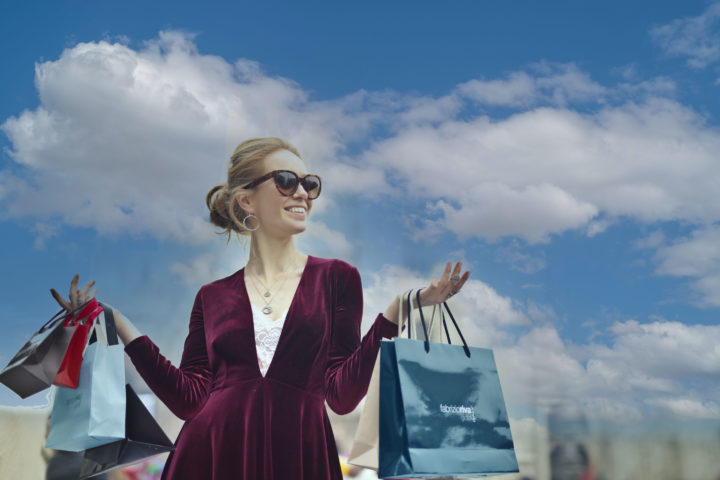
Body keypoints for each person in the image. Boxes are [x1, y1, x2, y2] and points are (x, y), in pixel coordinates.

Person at [50, 137, 470, 480]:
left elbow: (341, 397)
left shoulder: (338, 278)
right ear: (247, 200)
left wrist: (397, 310)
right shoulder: (211, 295)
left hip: (301, 456)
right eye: (286, 180)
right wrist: (121, 325)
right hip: (209, 456)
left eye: (311, 183)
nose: (303, 192)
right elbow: (189, 400)